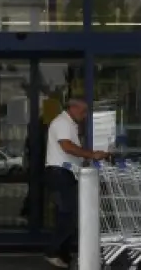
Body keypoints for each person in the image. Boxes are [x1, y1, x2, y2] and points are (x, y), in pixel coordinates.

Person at [44, 99, 108, 269]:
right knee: (69, 214)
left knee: (68, 214)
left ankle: (63, 254)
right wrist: (91, 154)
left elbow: (70, 150)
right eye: (83, 111)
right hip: (60, 173)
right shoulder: (62, 123)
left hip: (66, 173)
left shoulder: (69, 124)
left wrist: (84, 160)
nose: (85, 115)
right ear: (72, 107)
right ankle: (53, 251)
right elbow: (67, 146)